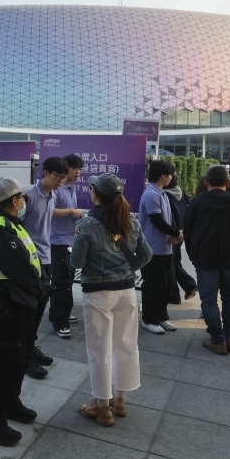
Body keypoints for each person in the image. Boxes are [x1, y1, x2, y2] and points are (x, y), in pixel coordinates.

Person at [70, 173, 151, 427]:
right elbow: (146, 255)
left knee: (99, 351)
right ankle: (120, 400)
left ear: (95, 193)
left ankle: (102, 408)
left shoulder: (86, 225)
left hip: (97, 293)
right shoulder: (131, 220)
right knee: (125, 345)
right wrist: (127, 269)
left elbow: (77, 263)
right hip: (127, 292)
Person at [0, 177, 43, 447]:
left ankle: (11, 404)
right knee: (6, 362)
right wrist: (39, 288)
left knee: (19, 358)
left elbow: (29, 262)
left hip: (19, 304)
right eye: (22, 198)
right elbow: (21, 270)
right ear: (14, 201)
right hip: (6, 306)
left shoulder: (13, 225)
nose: (24, 201)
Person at [184, 165, 230, 355]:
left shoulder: (197, 203)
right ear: (228, 182)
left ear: (206, 182)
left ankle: (217, 339)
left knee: (208, 300)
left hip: (205, 260)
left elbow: (188, 232)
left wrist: (193, 255)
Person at [20, 157, 69, 378]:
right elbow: (15, 227)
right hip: (30, 261)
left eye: (63, 177)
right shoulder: (28, 197)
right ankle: (25, 356)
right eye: (57, 176)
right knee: (29, 309)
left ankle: (30, 346)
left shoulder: (54, 195)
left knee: (40, 306)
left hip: (46, 256)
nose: (61, 181)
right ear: (45, 173)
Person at [137, 159, 181, 334]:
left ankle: (161, 317)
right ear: (163, 175)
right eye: (170, 174)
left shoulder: (161, 193)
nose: (171, 178)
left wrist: (175, 232)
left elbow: (168, 220)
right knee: (153, 285)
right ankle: (148, 319)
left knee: (166, 284)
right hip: (152, 249)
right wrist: (176, 233)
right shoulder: (151, 194)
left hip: (165, 248)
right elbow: (157, 222)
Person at [49, 153, 86, 338]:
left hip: (70, 241)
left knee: (65, 281)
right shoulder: (57, 189)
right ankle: (60, 323)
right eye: (74, 168)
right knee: (62, 283)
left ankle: (57, 313)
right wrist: (71, 211)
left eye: (79, 168)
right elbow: (51, 211)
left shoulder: (71, 188)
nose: (77, 172)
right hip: (58, 242)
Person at [164, 175, 198, 300]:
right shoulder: (181, 192)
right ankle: (186, 288)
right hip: (182, 231)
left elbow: (169, 215)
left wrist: (173, 232)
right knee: (174, 262)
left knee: (170, 264)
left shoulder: (164, 195)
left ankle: (178, 292)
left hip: (172, 232)